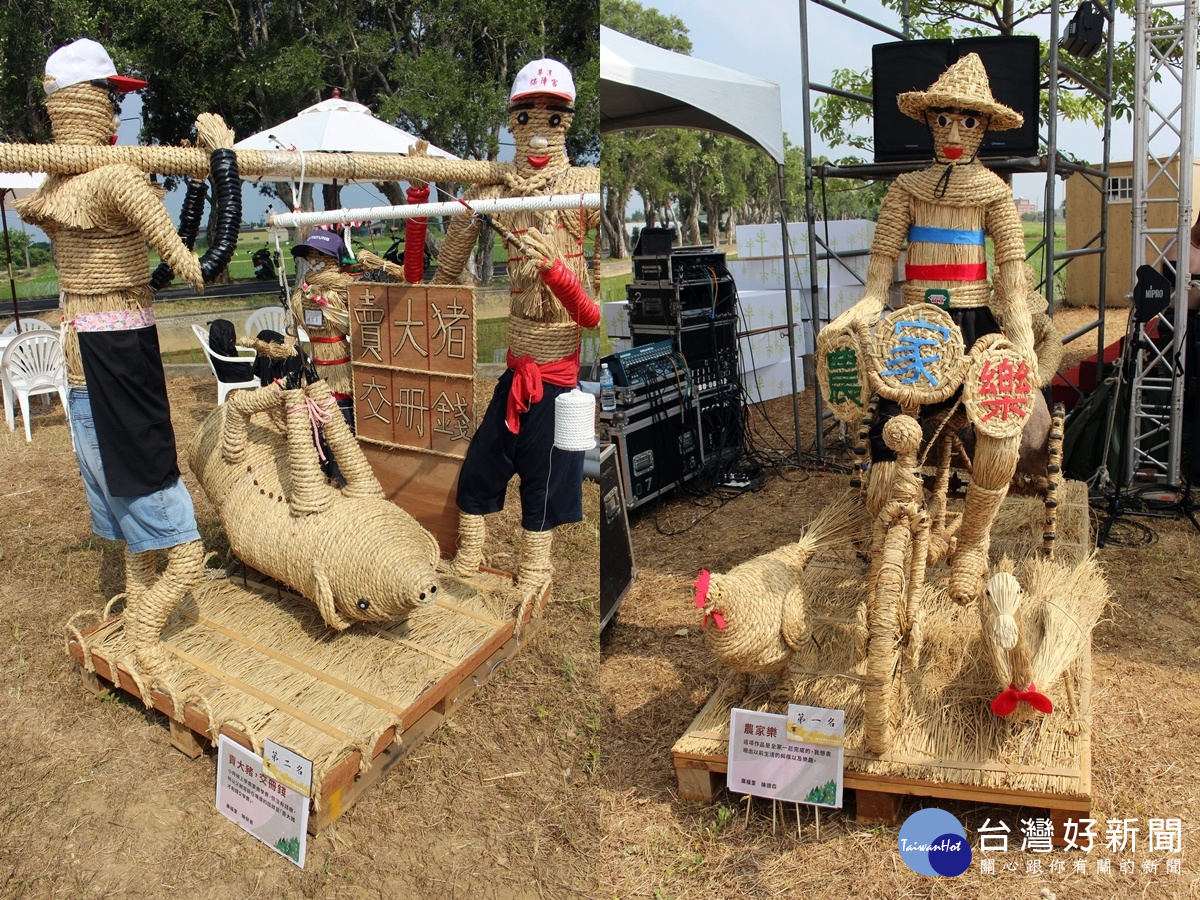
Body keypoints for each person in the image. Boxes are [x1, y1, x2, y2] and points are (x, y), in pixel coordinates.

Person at [15, 38, 239, 672]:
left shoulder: (56, 188)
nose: (119, 116)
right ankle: (143, 635)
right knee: (180, 541)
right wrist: (222, 162)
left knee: (126, 493)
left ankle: (137, 615)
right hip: (121, 355)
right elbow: (199, 267)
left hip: (81, 347)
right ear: (95, 106)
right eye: (114, 100)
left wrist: (195, 179)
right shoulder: (118, 180)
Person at [818, 53, 1037, 604]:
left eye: (968, 121)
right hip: (914, 325)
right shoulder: (905, 189)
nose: (955, 132)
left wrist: (1022, 337)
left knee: (1000, 426)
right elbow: (877, 278)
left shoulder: (993, 193)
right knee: (888, 420)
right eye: (943, 119)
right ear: (928, 123)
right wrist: (858, 312)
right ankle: (896, 519)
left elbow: (1010, 280)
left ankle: (972, 541)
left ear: (984, 126)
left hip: (973, 319)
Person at [428, 58, 600, 597]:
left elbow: (591, 316)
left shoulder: (582, 187)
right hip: (515, 375)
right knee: (480, 468)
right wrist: (421, 217)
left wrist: (555, 267)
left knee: (545, 486)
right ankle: (468, 558)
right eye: (526, 119)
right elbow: (448, 265)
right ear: (513, 125)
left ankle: (534, 574)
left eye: (553, 119)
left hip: (559, 380)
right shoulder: (500, 190)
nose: (539, 132)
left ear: (566, 123)